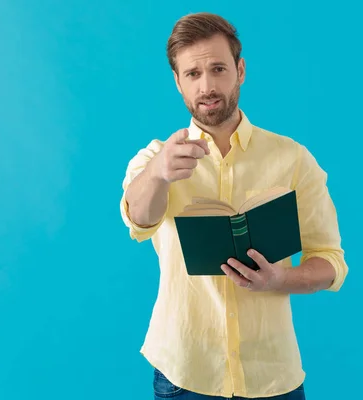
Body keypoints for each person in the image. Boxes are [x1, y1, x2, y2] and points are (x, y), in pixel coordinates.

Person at [119, 12, 349, 400]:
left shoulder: (293, 159)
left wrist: (279, 280)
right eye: (193, 74)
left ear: (240, 71)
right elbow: (139, 221)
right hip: (185, 373)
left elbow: (330, 262)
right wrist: (159, 173)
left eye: (218, 69)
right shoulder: (155, 159)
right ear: (178, 82)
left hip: (271, 376)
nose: (207, 86)